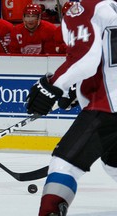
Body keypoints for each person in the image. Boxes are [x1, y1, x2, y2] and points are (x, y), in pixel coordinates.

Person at [25, 0, 117, 215]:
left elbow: (86, 59)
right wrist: (78, 90)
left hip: (108, 107)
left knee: (65, 165)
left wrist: (52, 85)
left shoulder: (85, 7)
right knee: (113, 164)